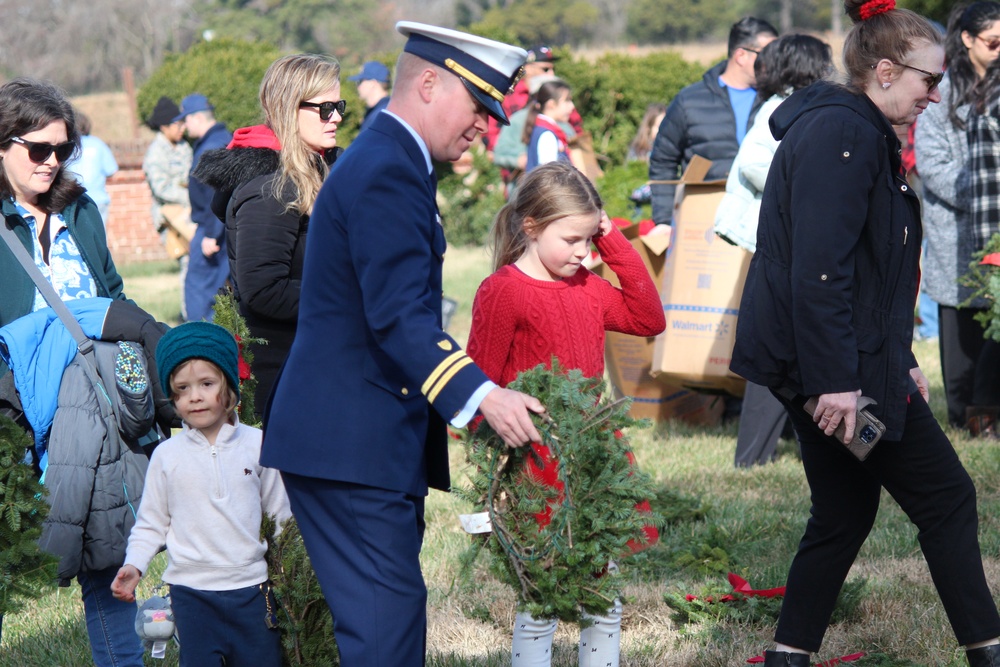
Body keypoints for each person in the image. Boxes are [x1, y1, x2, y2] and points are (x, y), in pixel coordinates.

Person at [259, 22, 546, 667]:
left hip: (352, 439)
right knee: (385, 635)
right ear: (427, 82)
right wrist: (483, 399)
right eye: (478, 108)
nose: (484, 127)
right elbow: (397, 317)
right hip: (352, 443)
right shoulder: (389, 168)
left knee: (383, 625)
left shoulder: (392, 160)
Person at [730, 1, 1000, 664]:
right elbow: (820, 273)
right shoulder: (842, 135)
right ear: (884, 70)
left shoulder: (857, 129)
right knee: (946, 497)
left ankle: (787, 655)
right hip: (836, 369)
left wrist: (901, 356)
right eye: (927, 83)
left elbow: (870, 268)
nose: (933, 97)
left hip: (852, 361)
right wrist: (837, 383)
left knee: (843, 513)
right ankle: (989, 649)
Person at [465, 161, 665, 667]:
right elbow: (477, 386)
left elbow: (648, 318)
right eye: (571, 239)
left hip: (594, 463)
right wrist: (499, 472)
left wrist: (613, 239)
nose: (583, 252)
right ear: (530, 226)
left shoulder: (590, 288)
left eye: (589, 239)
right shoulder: (504, 290)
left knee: (603, 589)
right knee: (544, 594)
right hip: (536, 464)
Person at [0, 77, 144, 667]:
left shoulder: (79, 209)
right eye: (38, 150)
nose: (52, 161)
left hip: (90, 419)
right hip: (12, 415)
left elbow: (113, 294)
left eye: (63, 149)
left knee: (107, 561)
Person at [111, 321, 290, 666]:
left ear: (230, 387)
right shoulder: (167, 455)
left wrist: (289, 574)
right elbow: (151, 522)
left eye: (206, 384)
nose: (194, 396)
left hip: (252, 592)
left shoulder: (258, 445)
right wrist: (135, 564)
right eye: (182, 389)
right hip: (191, 595)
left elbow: (280, 515)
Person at [194, 53, 344, 415]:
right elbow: (264, 290)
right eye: (324, 108)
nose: (336, 116)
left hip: (314, 359)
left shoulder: (314, 171)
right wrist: (347, 297)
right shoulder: (271, 189)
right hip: (284, 374)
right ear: (289, 107)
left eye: (339, 105)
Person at [713, 34, 834, 467]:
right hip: (781, 246)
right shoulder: (780, 107)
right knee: (773, 349)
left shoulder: (799, 104)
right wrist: (805, 184)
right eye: (824, 62)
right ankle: (751, 456)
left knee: (795, 349)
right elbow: (752, 163)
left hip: (792, 243)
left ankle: (804, 445)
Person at [648, 16, 778, 226]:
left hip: (762, 223)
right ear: (741, 55)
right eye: (769, 55)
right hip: (703, 224)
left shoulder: (777, 101)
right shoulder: (689, 101)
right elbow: (663, 161)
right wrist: (664, 221)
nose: (776, 62)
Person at [956, 4, 1000, 434]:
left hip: (992, 223)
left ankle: (982, 414)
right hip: (992, 227)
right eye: (993, 42)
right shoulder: (985, 92)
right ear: (968, 38)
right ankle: (982, 414)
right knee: (997, 329)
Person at [176, 93, 232, 322]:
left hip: (213, 229)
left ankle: (201, 347)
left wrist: (211, 234)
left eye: (186, 119)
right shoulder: (223, 139)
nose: (184, 125)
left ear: (197, 118)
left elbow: (216, 193)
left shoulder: (210, 147)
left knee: (199, 292)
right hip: (224, 227)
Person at [143, 96, 192, 233]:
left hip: (189, 211)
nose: (182, 128)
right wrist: (190, 197)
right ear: (164, 127)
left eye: (183, 123)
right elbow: (161, 189)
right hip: (169, 218)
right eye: (178, 124)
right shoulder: (156, 153)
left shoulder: (184, 146)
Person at [69, 111, 118, 226]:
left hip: (73, 201)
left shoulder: (68, 146)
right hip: (98, 199)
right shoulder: (98, 144)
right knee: (100, 239)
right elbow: (111, 170)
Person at [523, 79, 575, 172]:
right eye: (567, 101)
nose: (572, 106)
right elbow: (549, 179)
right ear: (551, 104)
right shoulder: (547, 135)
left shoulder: (542, 128)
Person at [348, 60, 391, 133]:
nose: (358, 86)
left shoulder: (380, 115)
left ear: (373, 83)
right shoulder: (385, 109)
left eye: (360, 81)